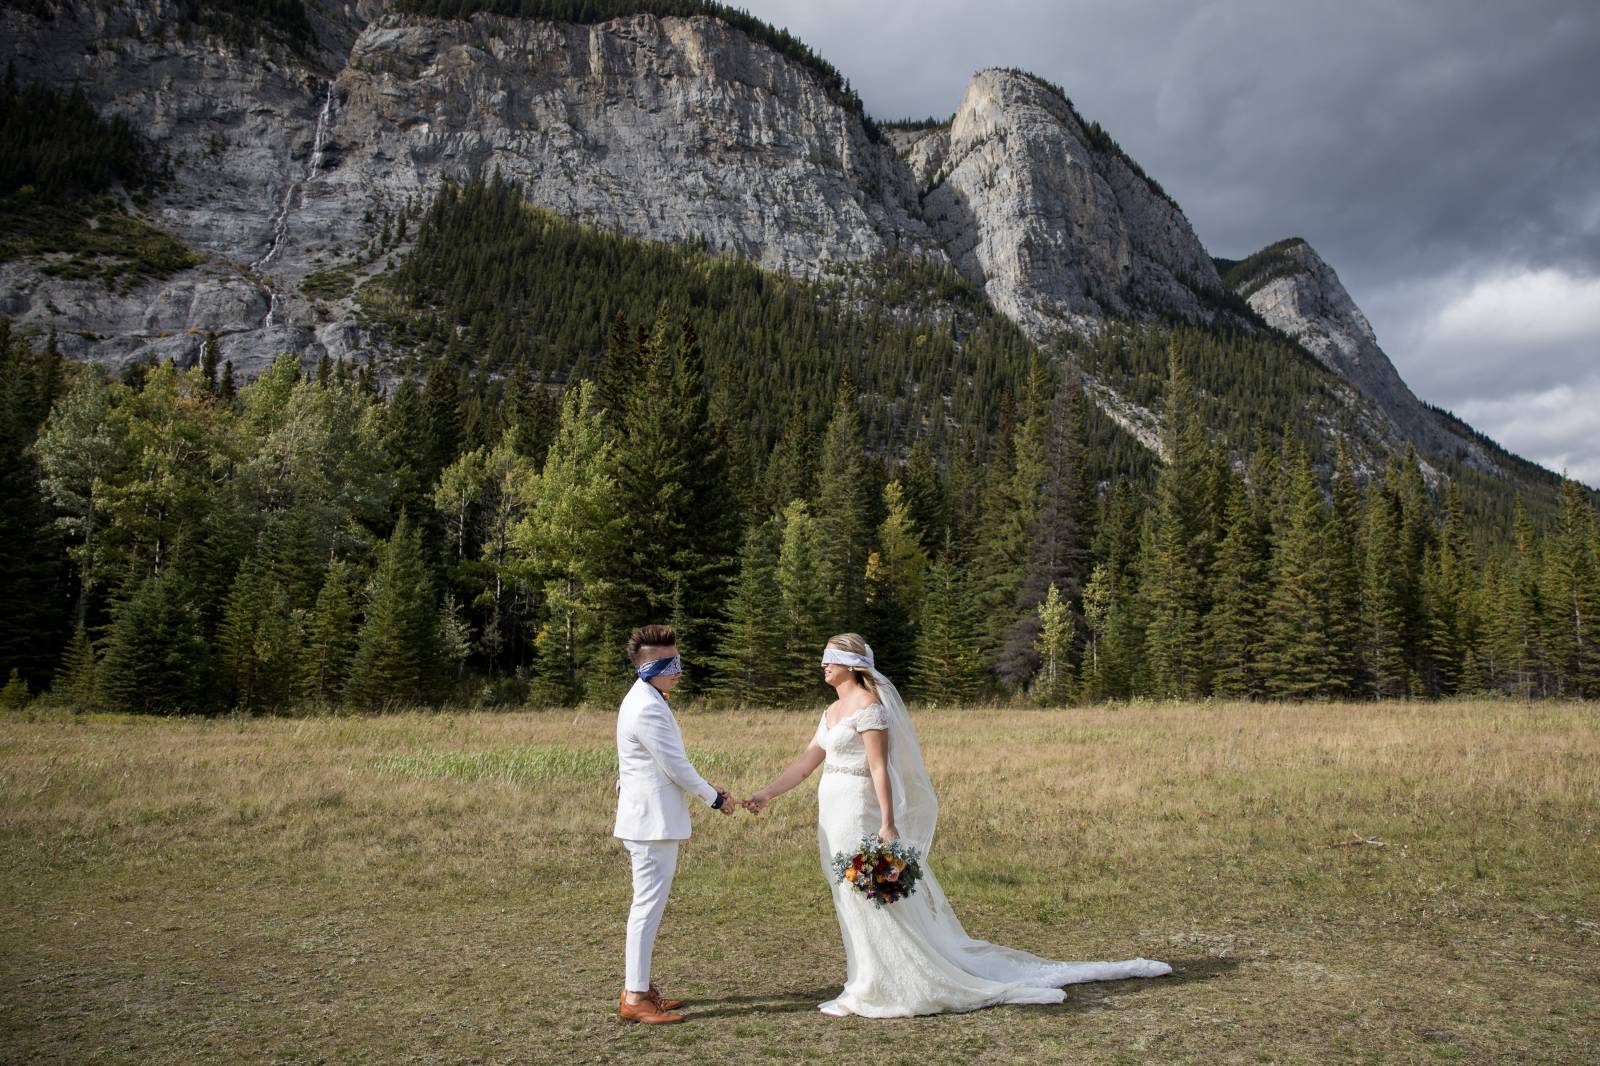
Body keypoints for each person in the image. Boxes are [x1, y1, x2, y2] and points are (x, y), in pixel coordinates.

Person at [741, 633, 1172, 1018]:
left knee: (870, 894)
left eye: (830, 658)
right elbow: (806, 763)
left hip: (859, 809)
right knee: (847, 897)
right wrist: (766, 793)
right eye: (824, 658)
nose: (823, 665)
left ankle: (888, 985)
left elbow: (880, 769)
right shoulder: (831, 710)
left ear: (853, 665)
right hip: (830, 812)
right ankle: (865, 980)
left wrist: (888, 823)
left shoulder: (870, 708)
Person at [613, 624, 733, 1024]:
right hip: (651, 825)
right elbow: (676, 767)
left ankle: (640, 987)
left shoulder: (647, 698)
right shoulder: (647, 705)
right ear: (651, 667)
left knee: (647, 906)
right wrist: (714, 799)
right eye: (672, 664)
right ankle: (634, 997)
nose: (679, 671)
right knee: (646, 908)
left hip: (650, 819)